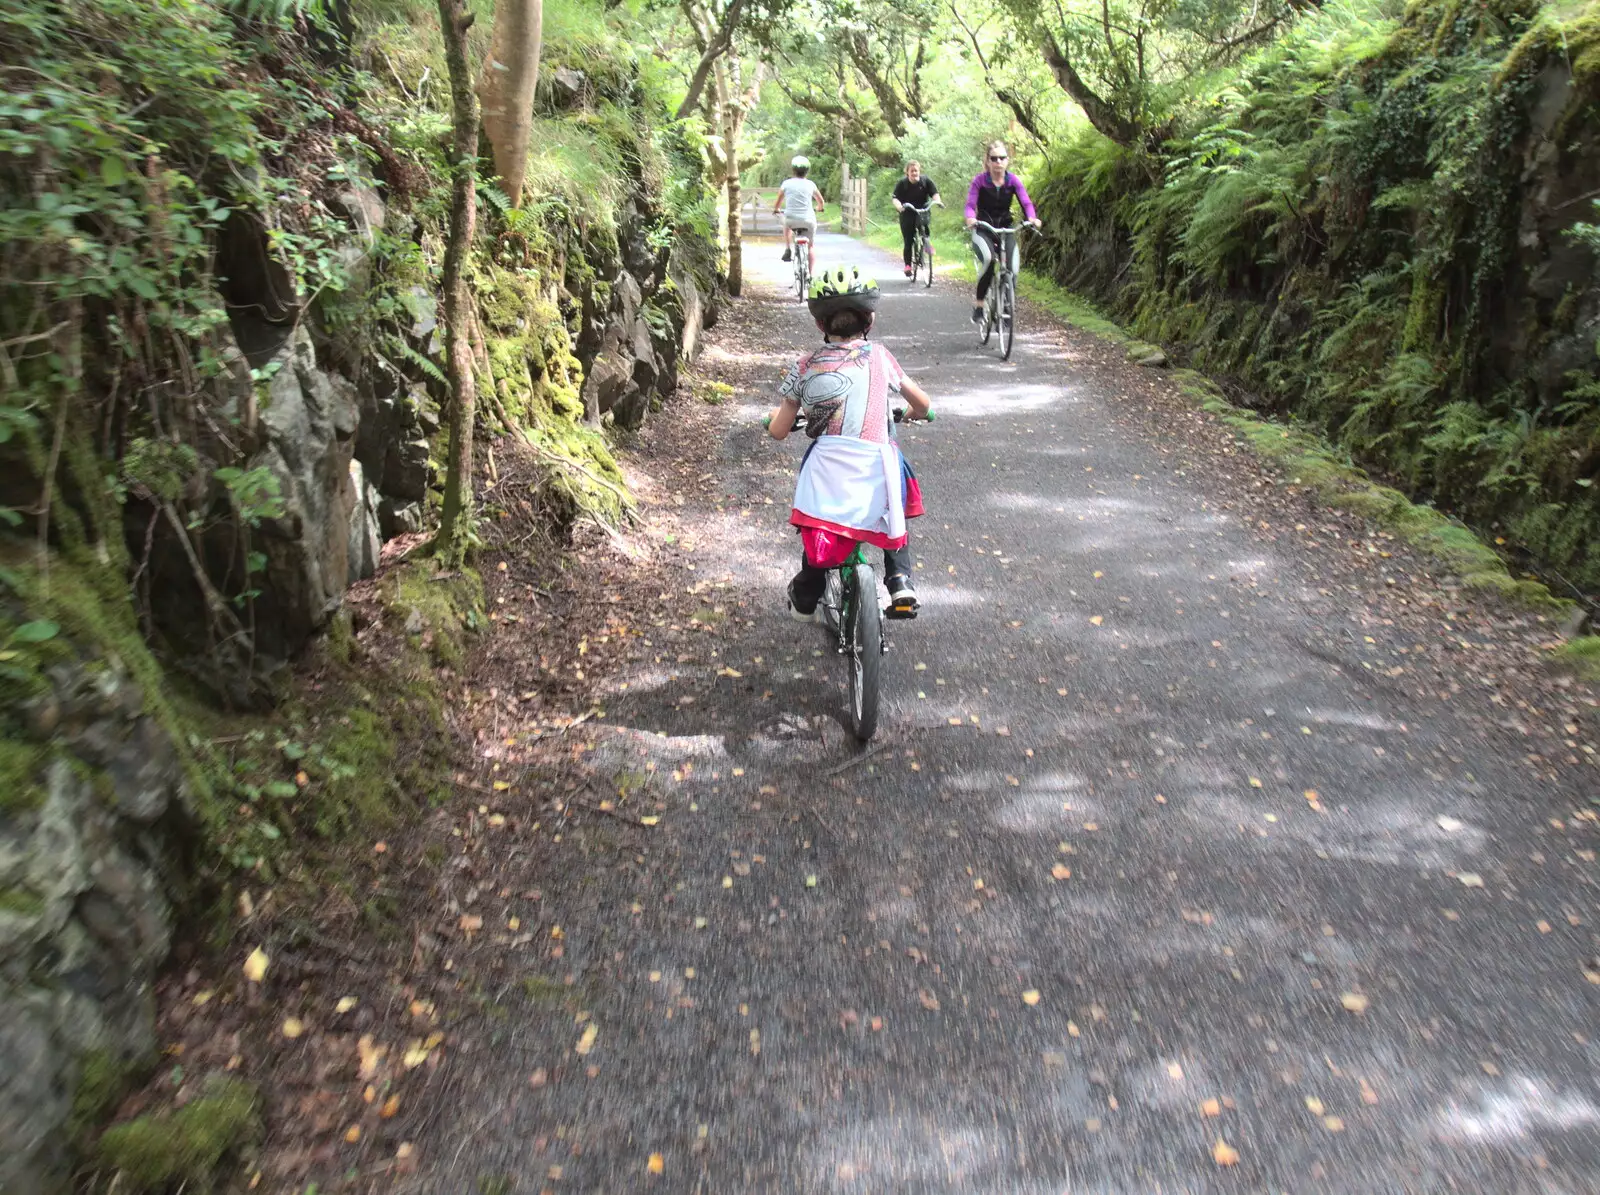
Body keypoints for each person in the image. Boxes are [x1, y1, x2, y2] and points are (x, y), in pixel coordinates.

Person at [766, 265, 931, 622]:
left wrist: (772, 424)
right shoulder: (880, 356)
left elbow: (779, 430)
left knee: (819, 518)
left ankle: (808, 589)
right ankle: (900, 579)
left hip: (830, 466)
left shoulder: (805, 365)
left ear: (820, 325)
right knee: (893, 506)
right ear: (869, 320)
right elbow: (923, 403)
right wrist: (917, 413)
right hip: (876, 463)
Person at [964, 140, 1040, 324]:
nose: (998, 162)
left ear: (1007, 160)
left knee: (1013, 269)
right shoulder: (980, 181)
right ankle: (980, 305)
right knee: (989, 260)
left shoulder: (1012, 181)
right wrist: (970, 218)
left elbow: (1026, 202)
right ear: (988, 161)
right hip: (983, 229)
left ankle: (1006, 304)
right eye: (994, 158)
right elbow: (970, 205)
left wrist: (1032, 217)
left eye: (1002, 158)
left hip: (1006, 228)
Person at [773, 155, 825, 272]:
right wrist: (820, 208)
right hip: (808, 220)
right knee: (810, 246)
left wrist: (776, 210)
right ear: (807, 171)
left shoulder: (786, 184)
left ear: (793, 170)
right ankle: (810, 276)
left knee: (786, 224)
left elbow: (778, 203)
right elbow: (821, 201)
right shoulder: (811, 184)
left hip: (791, 219)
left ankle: (787, 248)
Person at [891, 160, 943, 279]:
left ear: (919, 171)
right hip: (907, 211)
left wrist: (938, 201)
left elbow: (934, 193)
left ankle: (926, 244)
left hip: (922, 209)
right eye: (912, 171)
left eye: (916, 171)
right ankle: (908, 265)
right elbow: (895, 198)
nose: (914, 173)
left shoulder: (925, 181)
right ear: (907, 173)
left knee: (924, 227)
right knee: (908, 240)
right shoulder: (902, 184)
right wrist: (899, 206)